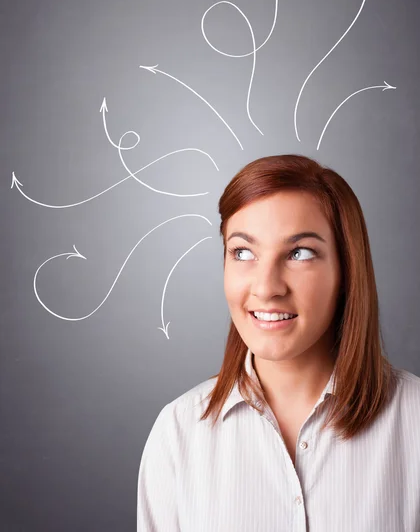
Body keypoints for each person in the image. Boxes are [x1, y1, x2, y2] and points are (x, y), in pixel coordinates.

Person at [137, 154, 420, 532]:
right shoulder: (178, 433)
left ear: (346, 270)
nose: (267, 287)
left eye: (299, 253)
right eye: (243, 252)